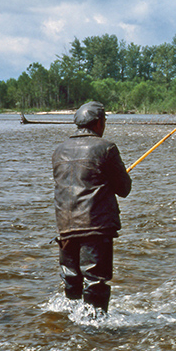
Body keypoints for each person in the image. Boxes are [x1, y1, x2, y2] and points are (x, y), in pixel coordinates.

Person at [53, 101, 132, 313]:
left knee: (71, 279)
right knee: (95, 282)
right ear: (98, 123)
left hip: (65, 227)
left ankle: (70, 326)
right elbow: (124, 188)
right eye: (104, 121)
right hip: (94, 226)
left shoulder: (58, 151)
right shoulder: (106, 148)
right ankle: (95, 332)